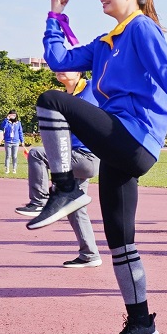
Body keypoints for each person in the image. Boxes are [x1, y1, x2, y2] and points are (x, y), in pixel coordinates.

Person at [31, 0, 167, 334]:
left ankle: (65, 186)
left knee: (52, 101)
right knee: (120, 241)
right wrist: (54, 16)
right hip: (116, 147)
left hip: (134, 138)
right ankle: (140, 322)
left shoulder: (140, 29)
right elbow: (59, 61)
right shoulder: (105, 43)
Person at [15, 71, 102, 267]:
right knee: (74, 206)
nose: (61, 69)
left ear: (79, 72)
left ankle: (38, 201)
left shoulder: (92, 89)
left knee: (37, 153)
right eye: (58, 68)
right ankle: (90, 254)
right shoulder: (65, 98)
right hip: (71, 159)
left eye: (68, 66)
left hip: (85, 157)